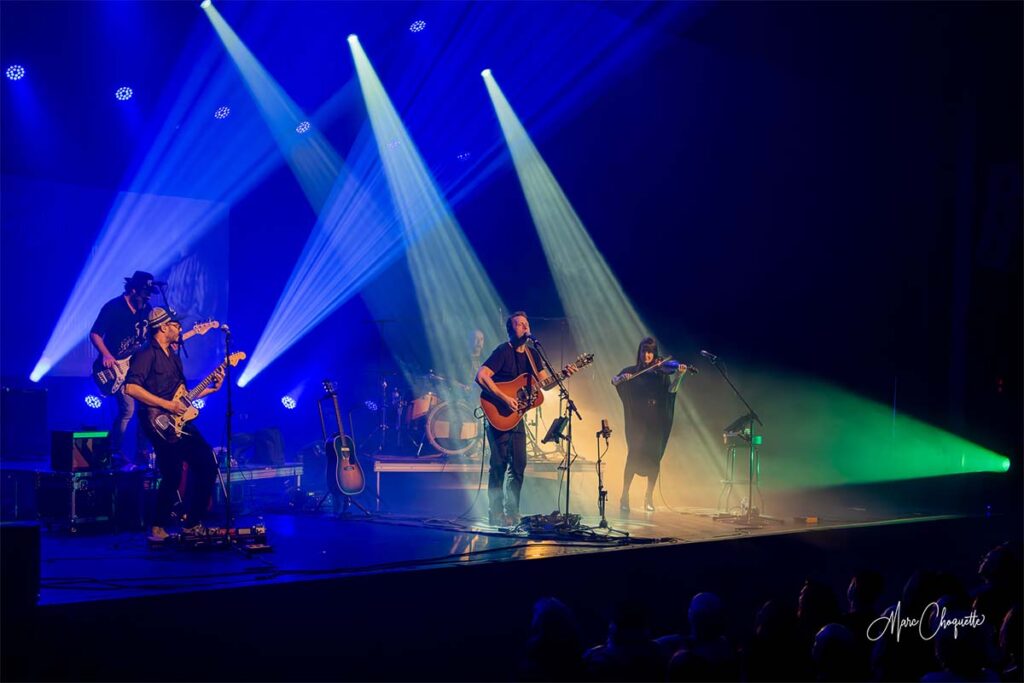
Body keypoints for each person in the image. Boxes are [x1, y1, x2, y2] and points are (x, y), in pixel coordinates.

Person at [124, 307, 223, 542]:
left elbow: (182, 397)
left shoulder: (175, 357)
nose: (180, 328)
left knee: (208, 463)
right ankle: (157, 526)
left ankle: (192, 523)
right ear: (163, 327)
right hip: (156, 420)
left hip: (179, 420)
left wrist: (211, 389)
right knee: (173, 472)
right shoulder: (146, 354)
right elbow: (131, 388)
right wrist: (167, 406)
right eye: (176, 325)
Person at [476, 311, 576, 526]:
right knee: (499, 464)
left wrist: (564, 374)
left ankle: (512, 512)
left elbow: (545, 383)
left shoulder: (533, 354)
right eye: (518, 324)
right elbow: (481, 375)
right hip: (498, 414)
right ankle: (495, 513)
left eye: (525, 323)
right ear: (510, 330)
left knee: (519, 464)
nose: (523, 326)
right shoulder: (503, 351)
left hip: (516, 417)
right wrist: (504, 398)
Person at [89, 270, 158, 464]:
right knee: (127, 410)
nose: (147, 298)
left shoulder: (146, 309)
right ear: (133, 290)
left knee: (147, 406)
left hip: (135, 368)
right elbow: (94, 334)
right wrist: (106, 354)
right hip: (115, 368)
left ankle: (143, 451)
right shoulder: (114, 307)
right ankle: (114, 451)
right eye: (145, 294)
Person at [613, 337, 687, 512]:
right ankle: (625, 495)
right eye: (644, 351)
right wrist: (621, 378)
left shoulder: (661, 373)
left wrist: (679, 376)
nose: (647, 355)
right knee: (633, 455)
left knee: (654, 458)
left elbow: (671, 393)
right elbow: (614, 381)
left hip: (656, 421)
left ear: (654, 354)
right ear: (639, 353)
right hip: (637, 421)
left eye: (650, 352)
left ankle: (649, 496)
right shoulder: (631, 371)